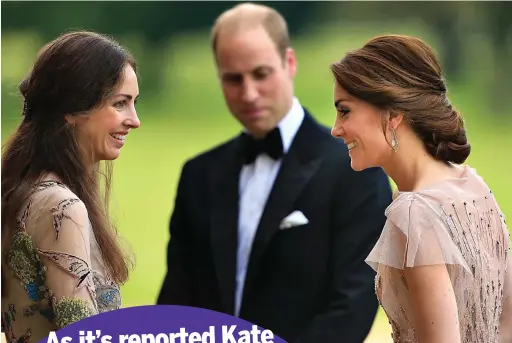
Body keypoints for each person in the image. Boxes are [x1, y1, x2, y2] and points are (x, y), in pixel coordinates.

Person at [156, 3, 393, 343]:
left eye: (261, 74)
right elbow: (176, 305)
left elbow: (352, 305)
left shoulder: (353, 168)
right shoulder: (198, 175)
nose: (248, 93)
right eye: (233, 79)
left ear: (289, 63)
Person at [329, 34, 512, 343]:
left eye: (345, 111)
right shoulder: (472, 185)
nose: (335, 129)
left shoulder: (414, 213)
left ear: (393, 114)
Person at [1, 31, 140, 343]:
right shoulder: (61, 207)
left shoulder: (22, 189)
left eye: (134, 103)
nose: (135, 120)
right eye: (120, 104)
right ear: (74, 109)